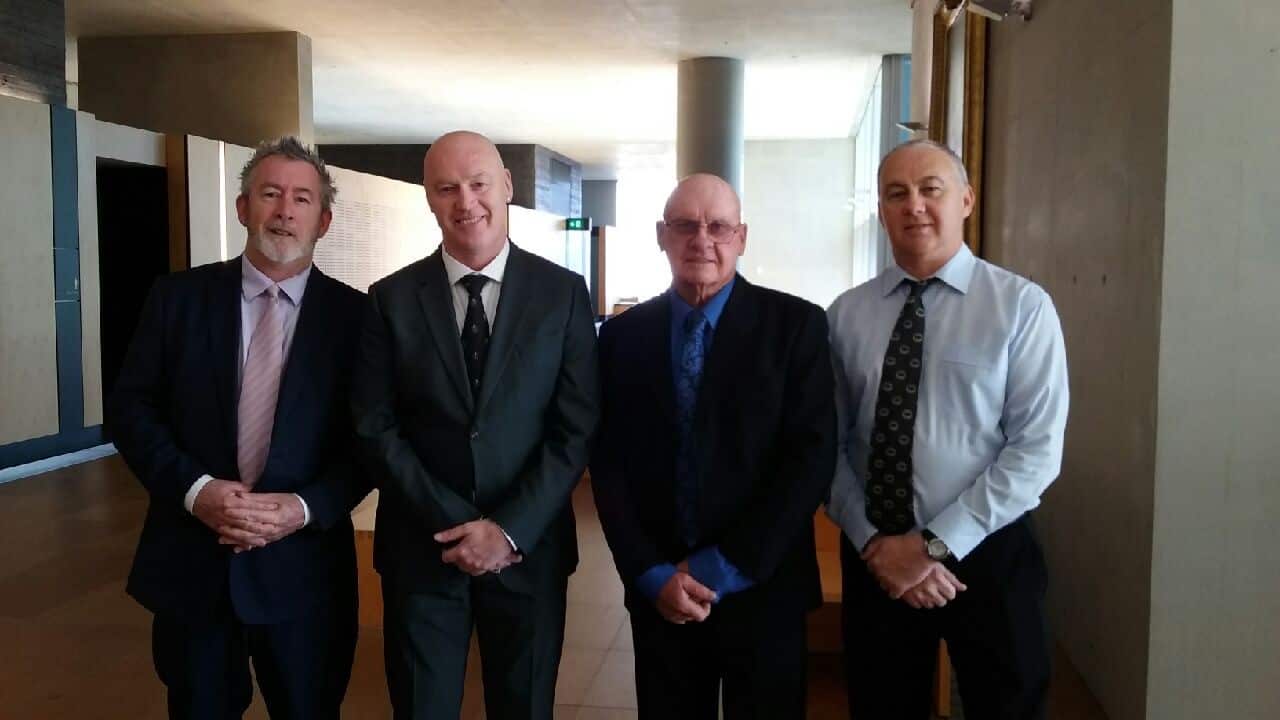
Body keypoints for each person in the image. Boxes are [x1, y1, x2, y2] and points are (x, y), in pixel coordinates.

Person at [108, 136, 368, 719]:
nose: (284, 211)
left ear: (323, 220)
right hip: (193, 563)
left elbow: (370, 440)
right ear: (242, 207)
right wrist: (197, 491)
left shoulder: (358, 320)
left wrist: (302, 507)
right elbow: (132, 409)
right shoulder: (177, 299)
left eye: (302, 199)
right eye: (270, 194)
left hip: (305, 573)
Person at [351, 130, 599, 720]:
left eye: (479, 183)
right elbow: (374, 427)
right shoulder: (389, 299)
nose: (466, 202)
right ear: (430, 200)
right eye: (447, 188)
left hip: (529, 551)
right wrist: (460, 525)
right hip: (423, 552)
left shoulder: (563, 295)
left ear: (507, 187)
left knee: (525, 707)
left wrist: (507, 530)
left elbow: (576, 428)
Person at [826, 139, 1069, 719]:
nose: (914, 206)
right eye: (896, 193)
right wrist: (875, 543)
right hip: (876, 558)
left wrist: (934, 545)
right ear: (881, 212)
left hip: (989, 551)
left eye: (930, 189)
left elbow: (1036, 451)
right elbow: (826, 446)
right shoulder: (845, 315)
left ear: (965, 199)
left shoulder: (1021, 307)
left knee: (1006, 707)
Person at [591, 173, 836, 719]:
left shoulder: (795, 326)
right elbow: (606, 464)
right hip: (662, 593)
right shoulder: (624, 337)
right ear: (661, 235)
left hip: (762, 586)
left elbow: (811, 457)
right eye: (685, 226)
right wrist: (651, 573)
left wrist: (717, 569)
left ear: (742, 237)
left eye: (719, 226)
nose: (702, 239)